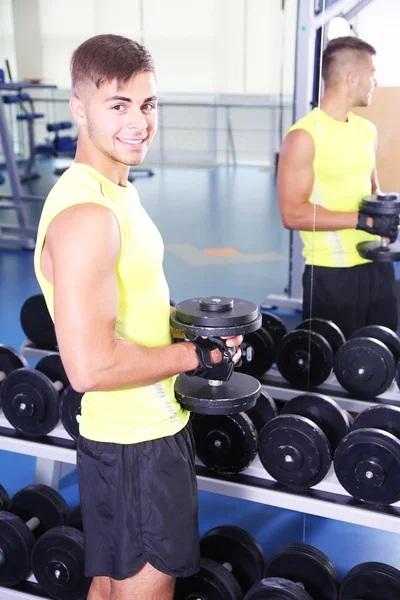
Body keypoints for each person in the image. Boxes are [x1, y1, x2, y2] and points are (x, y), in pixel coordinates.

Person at [33, 34, 242, 600]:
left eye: (148, 104)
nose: (139, 122)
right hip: (135, 445)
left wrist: (189, 324)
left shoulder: (118, 194)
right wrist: (200, 355)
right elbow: (90, 369)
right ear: (79, 108)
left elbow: (133, 307)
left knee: (108, 589)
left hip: (137, 434)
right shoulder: (86, 215)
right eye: (118, 105)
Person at [277, 36, 398, 339]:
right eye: (372, 73)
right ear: (351, 78)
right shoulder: (304, 136)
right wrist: (362, 221)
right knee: (333, 368)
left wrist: (387, 211)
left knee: (382, 360)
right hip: (331, 274)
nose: (376, 81)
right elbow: (293, 214)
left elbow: (372, 189)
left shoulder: (365, 129)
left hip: (376, 263)